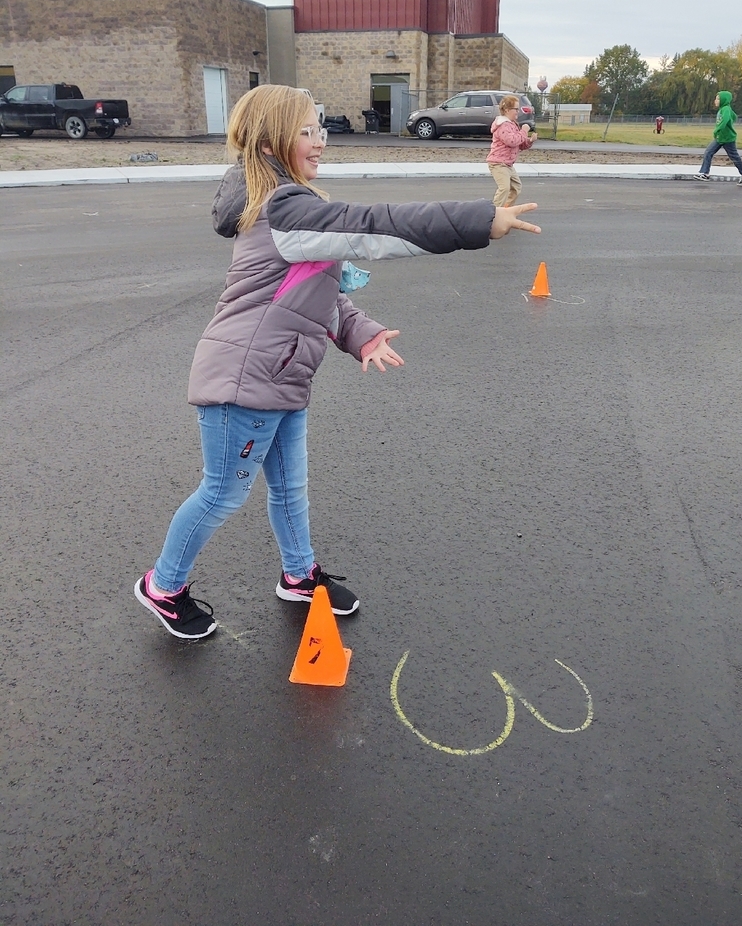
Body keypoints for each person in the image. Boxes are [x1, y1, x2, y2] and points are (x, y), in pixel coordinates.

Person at [134, 84, 541, 640]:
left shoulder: (288, 208)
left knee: (289, 488)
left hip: (282, 377)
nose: (319, 141)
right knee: (223, 492)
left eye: (318, 128)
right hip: (244, 381)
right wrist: (476, 221)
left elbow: (321, 294)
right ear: (274, 138)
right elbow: (373, 226)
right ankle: (163, 586)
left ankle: (299, 577)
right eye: (306, 131)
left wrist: (364, 335)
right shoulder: (283, 208)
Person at [486, 94, 538, 208]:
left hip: (508, 164)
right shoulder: (502, 125)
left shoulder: (513, 125)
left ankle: (505, 210)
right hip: (498, 163)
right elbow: (512, 141)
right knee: (504, 188)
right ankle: (493, 214)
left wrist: (530, 141)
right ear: (507, 110)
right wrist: (524, 131)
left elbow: (520, 144)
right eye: (516, 109)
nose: (518, 112)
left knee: (516, 188)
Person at [694, 91, 742, 185]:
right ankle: (705, 173)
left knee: (734, 157)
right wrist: (723, 128)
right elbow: (734, 116)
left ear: (724, 100)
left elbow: (724, 121)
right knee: (708, 152)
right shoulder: (723, 109)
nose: (715, 101)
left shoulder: (725, 109)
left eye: (718, 99)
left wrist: (717, 130)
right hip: (720, 138)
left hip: (728, 138)